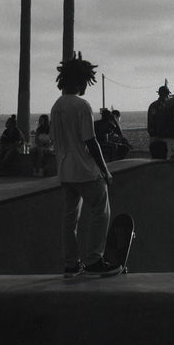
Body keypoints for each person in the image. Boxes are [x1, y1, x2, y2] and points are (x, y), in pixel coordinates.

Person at [51, 52, 121, 279]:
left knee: (69, 218)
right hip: (85, 170)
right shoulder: (82, 106)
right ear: (81, 81)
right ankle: (93, 260)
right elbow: (90, 141)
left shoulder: (56, 106)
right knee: (101, 211)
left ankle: (71, 265)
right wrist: (105, 170)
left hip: (65, 171)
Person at [147, 85, 170, 159]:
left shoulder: (169, 105)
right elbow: (151, 120)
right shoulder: (154, 105)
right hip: (157, 135)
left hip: (166, 135)